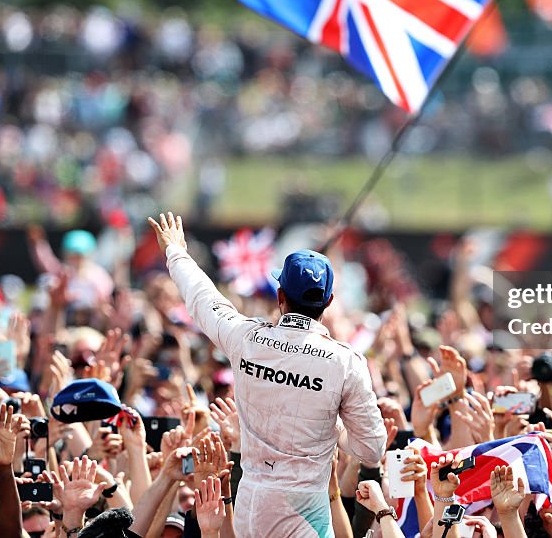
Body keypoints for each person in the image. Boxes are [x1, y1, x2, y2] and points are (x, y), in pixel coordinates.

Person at [146, 212, 386, 538]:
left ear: (280, 296)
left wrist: (176, 251)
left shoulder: (247, 339)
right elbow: (371, 450)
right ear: (328, 301)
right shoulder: (345, 362)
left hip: (251, 502)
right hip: (306, 509)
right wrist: (333, 426)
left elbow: (203, 300)